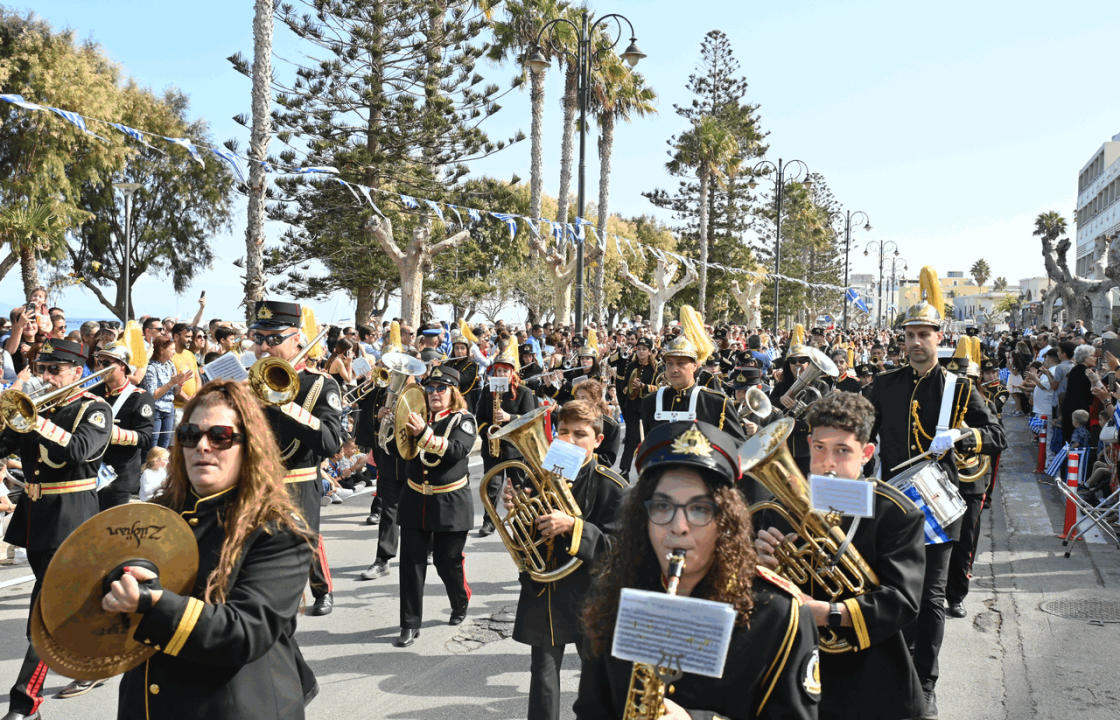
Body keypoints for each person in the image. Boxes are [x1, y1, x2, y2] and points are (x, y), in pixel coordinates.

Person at [575, 420, 821, 719]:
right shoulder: (615, 594)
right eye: (663, 508)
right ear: (643, 517)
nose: (678, 527)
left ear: (725, 521)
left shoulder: (780, 615)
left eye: (700, 509)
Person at [102, 379, 316, 719]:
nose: (202, 446)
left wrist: (151, 601)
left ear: (250, 446)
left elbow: (246, 632)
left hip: (233, 706)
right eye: (189, 435)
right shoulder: (156, 516)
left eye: (220, 437)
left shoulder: (278, 529)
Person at [864, 286, 1006, 720]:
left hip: (938, 509)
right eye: (909, 335)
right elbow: (857, 430)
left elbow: (997, 437)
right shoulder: (884, 385)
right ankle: (895, 677)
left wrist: (965, 435)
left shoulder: (958, 389)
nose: (915, 342)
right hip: (891, 505)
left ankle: (925, 685)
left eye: (923, 334)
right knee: (888, 593)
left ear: (937, 336)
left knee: (931, 600)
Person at [755, 392, 926, 720]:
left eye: (842, 451)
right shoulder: (779, 508)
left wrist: (827, 613)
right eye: (819, 447)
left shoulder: (895, 512)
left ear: (867, 454)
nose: (827, 462)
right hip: (792, 665)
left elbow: (901, 601)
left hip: (870, 677)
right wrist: (758, 564)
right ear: (808, 444)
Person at [0, 339, 113, 715]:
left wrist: (37, 421)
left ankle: (25, 702)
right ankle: (97, 653)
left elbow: (81, 451)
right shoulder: (36, 409)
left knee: (46, 615)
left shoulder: (95, 409)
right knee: (59, 608)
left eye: (55, 370)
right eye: (43, 370)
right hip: (35, 518)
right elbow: (5, 444)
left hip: (70, 517)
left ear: (77, 372)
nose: (46, 378)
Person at [509, 400, 627, 720]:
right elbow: (523, 545)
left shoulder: (613, 487)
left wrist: (575, 527)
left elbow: (621, 552)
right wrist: (518, 513)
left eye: (580, 434)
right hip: (546, 594)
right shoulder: (537, 479)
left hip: (592, 595)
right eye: (562, 433)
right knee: (543, 677)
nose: (569, 441)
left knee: (594, 683)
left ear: (598, 440)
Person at [249, 300, 343, 617]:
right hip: (256, 479)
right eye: (258, 337)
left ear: (296, 338)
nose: (264, 346)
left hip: (298, 479)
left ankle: (322, 589)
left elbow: (331, 442)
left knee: (305, 539)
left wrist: (284, 404)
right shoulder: (247, 380)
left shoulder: (319, 383)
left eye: (274, 339)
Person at [394, 365, 477, 647]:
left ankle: (460, 599)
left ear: (453, 392)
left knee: (446, 561)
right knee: (411, 564)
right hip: (416, 499)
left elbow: (456, 451)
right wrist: (389, 425)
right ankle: (409, 623)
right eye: (429, 388)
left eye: (441, 388)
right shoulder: (415, 417)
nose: (434, 394)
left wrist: (424, 433)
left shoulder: (463, 420)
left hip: (450, 501)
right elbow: (399, 450)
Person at [475, 345, 537, 537]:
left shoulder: (525, 392)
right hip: (493, 446)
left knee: (518, 484)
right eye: (498, 370)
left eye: (505, 370)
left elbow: (530, 420)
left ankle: (522, 519)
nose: (501, 373)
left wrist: (509, 417)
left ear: (512, 373)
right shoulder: (487, 391)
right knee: (492, 486)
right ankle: (489, 521)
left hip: (515, 447)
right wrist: (487, 431)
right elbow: (480, 418)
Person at [640, 335, 746, 442]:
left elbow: (737, 445)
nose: (674, 369)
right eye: (669, 364)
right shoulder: (651, 401)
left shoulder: (717, 403)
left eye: (681, 363)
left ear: (694, 366)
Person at [92, 344, 156, 510]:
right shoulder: (93, 392)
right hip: (92, 472)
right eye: (99, 362)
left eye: (106, 363)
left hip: (119, 476)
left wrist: (114, 434)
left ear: (122, 366)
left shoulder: (140, 397)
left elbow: (146, 437)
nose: (100, 367)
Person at [618, 337, 659, 476]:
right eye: (639, 349)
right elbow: (624, 386)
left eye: (644, 349)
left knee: (648, 438)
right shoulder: (631, 366)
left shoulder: (656, 368)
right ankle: (625, 469)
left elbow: (660, 388)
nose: (641, 352)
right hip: (632, 406)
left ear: (649, 351)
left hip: (648, 408)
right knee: (631, 437)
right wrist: (627, 388)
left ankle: (649, 469)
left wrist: (643, 386)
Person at [571, 379, 621, 468]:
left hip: (593, 473)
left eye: (584, 398)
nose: (579, 402)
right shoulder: (570, 421)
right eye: (578, 398)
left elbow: (608, 460)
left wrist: (580, 455)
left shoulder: (611, 426)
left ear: (596, 400)